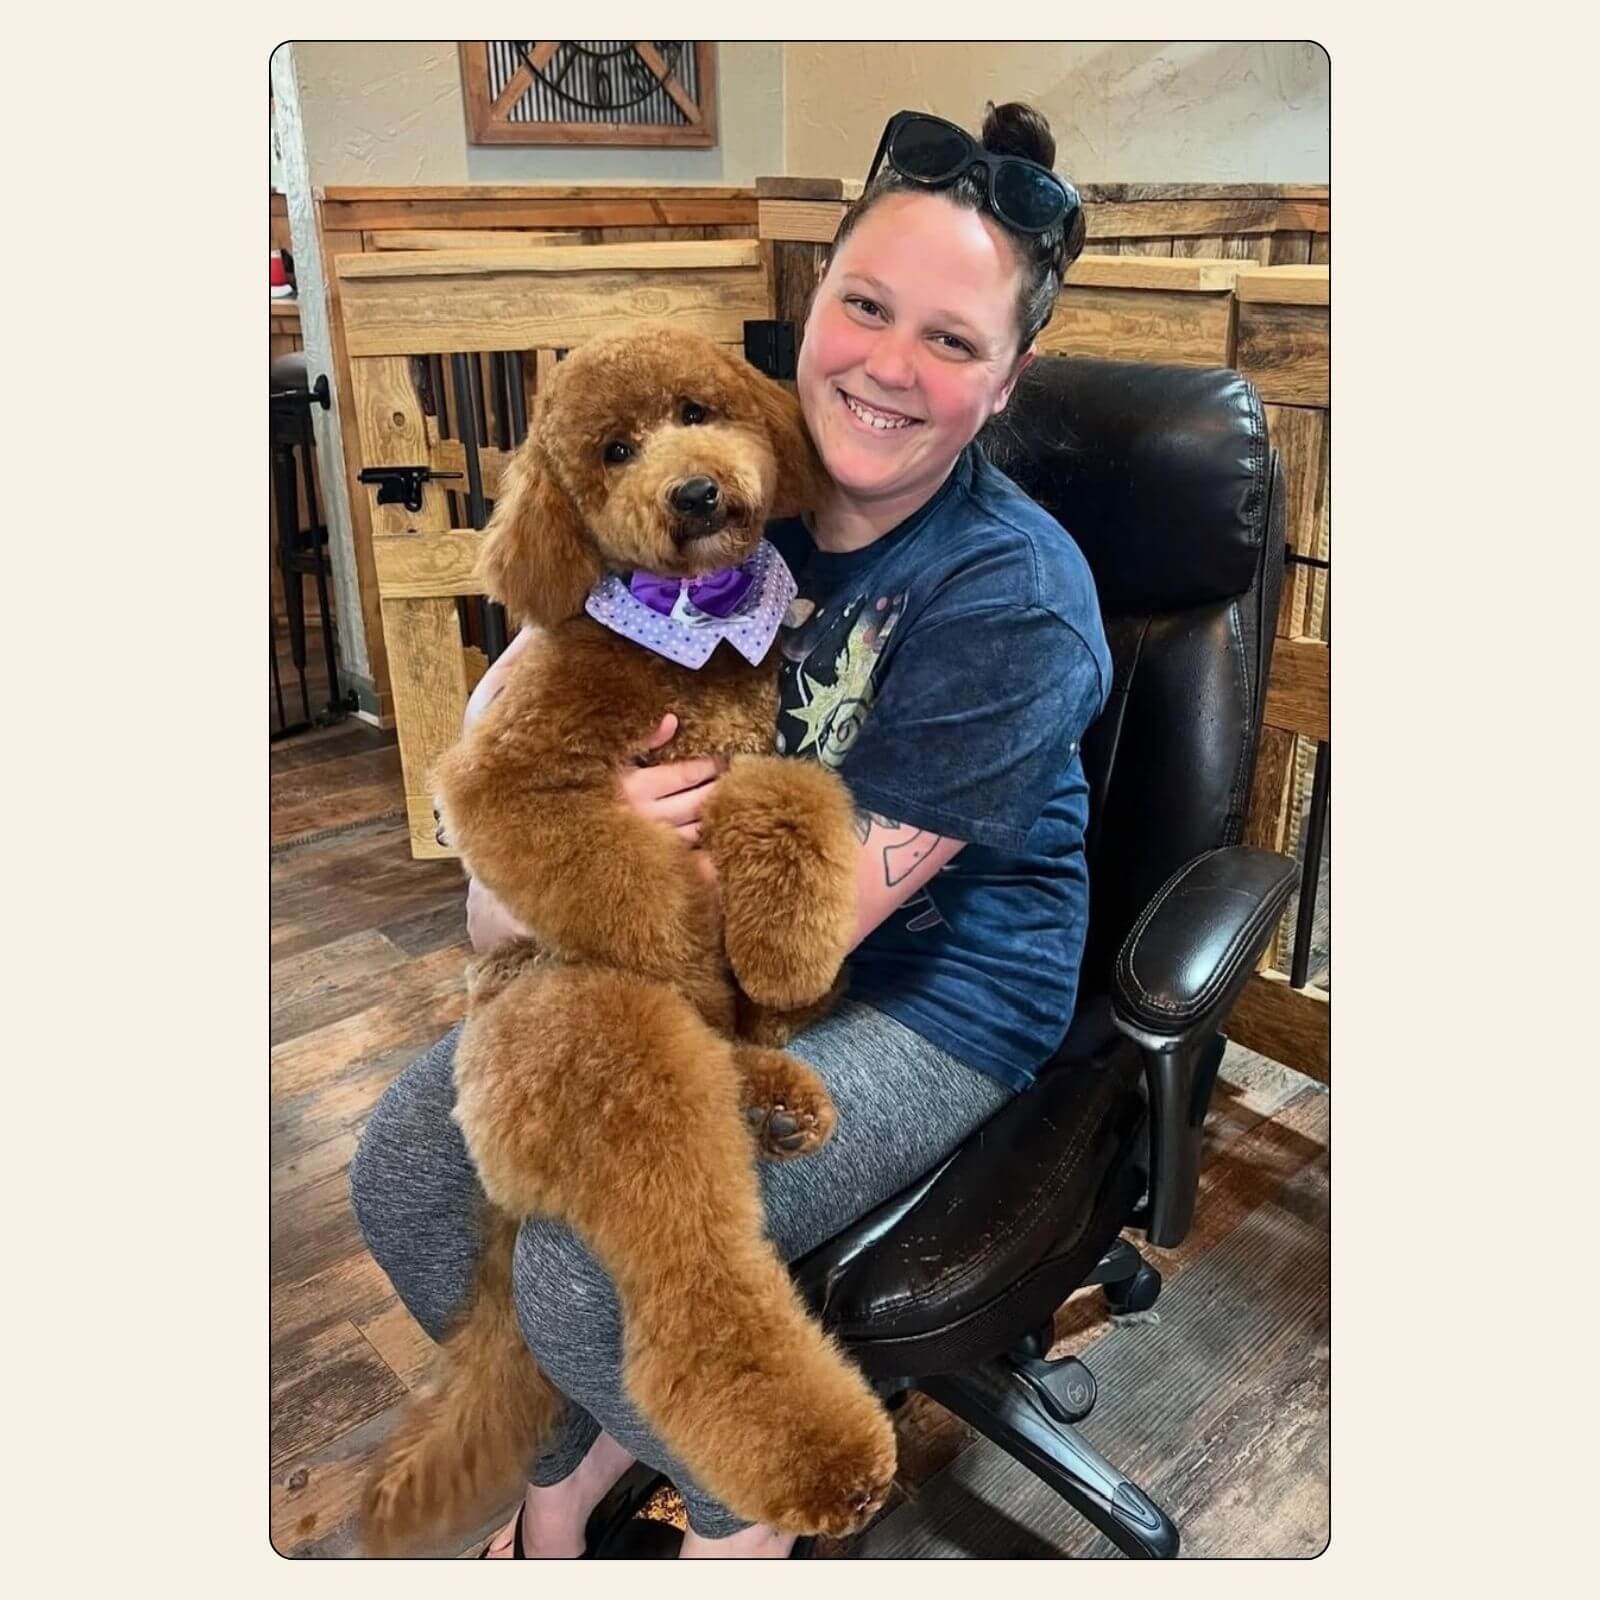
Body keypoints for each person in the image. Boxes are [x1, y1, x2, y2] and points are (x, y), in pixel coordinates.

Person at [350, 101, 1110, 1559]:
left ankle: (740, 1514)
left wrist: (546, 880)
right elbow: (507, 776)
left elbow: (794, 940)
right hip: (649, 940)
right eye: (866, 305)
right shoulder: (730, 478)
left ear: (1008, 379)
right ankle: (569, 1466)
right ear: (811, 303)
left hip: (925, 992)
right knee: (406, 1169)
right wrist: (520, 865)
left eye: (952, 340)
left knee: (584, 1265)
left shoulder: (1014, 599)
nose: (887, 365)